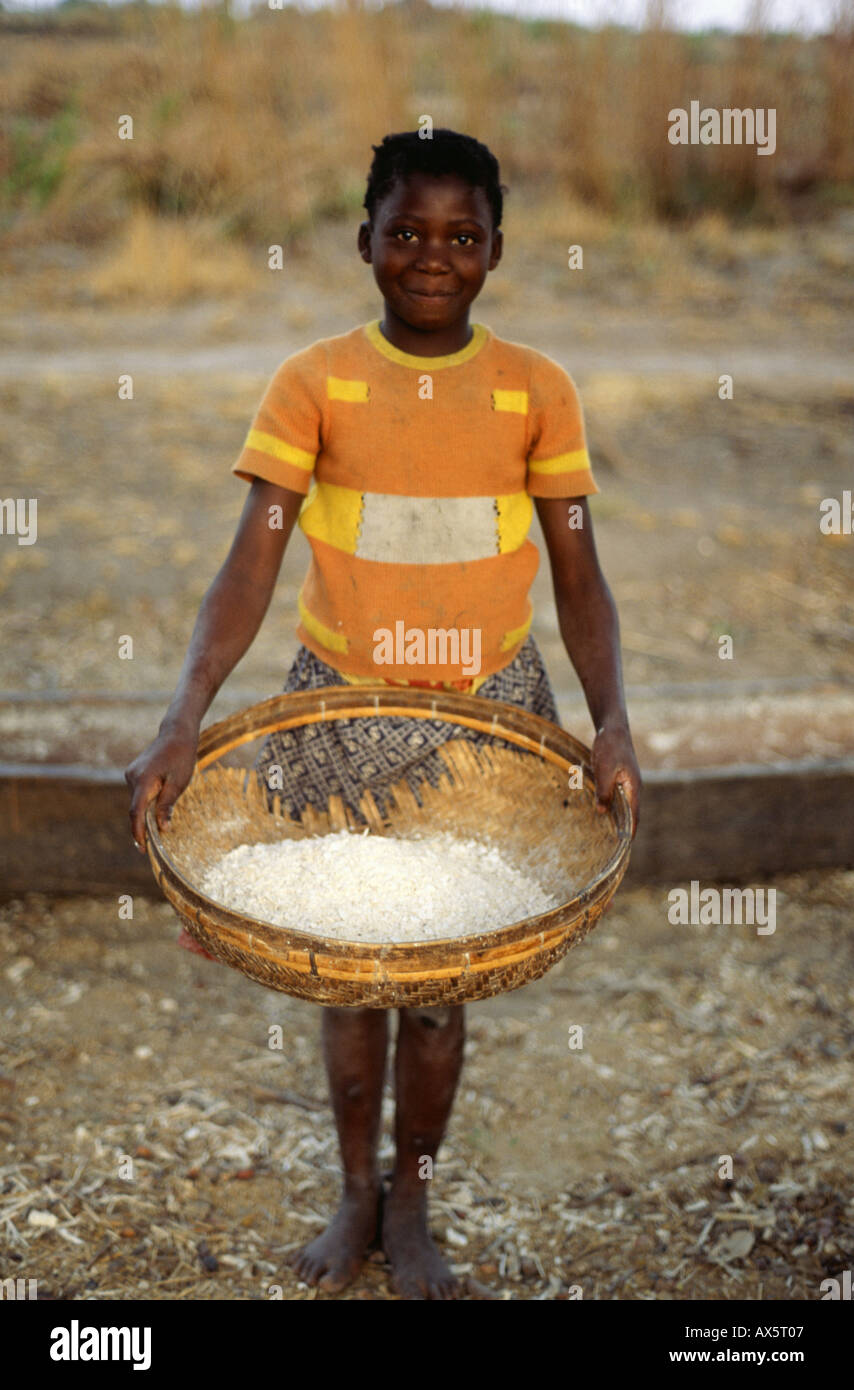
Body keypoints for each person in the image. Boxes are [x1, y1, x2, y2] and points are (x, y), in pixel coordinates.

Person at [125, 129, 641, 1300]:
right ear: (364, 240)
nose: (430, 257)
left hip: (491, 716)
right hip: (338, 712)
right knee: (350, 967)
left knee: (443, 983)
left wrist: (609, 719)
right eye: (404, 231)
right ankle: (354, 1185)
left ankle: (413, 1200)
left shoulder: (534, 389)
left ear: (495, 251)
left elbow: (578, 576)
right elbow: (248, 566)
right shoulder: (313, 382)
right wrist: (180, 714)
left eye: (460, 236)